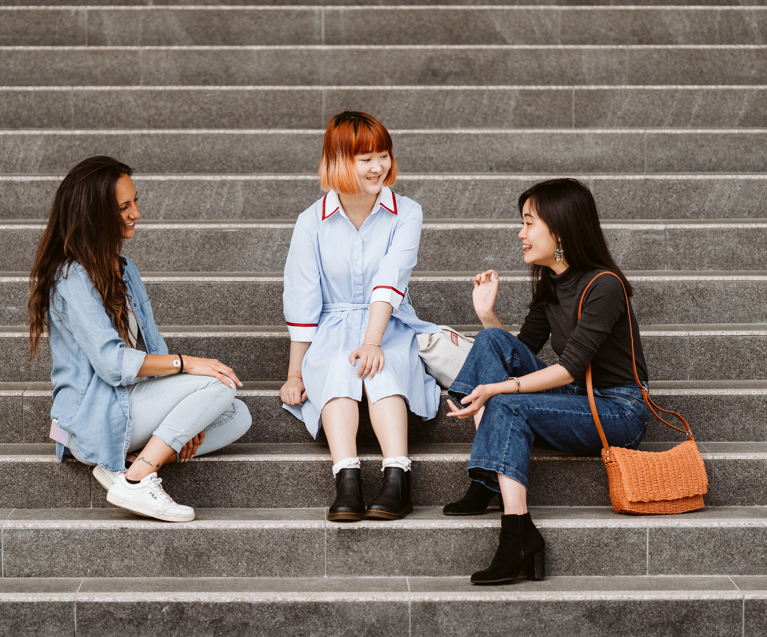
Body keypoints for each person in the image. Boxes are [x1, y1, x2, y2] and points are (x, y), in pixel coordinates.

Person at [444, 178, 651, 585]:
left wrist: (496, 391)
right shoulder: (552, 284)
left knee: (505, 400)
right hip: (579, 398)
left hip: (619, 410)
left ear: (560, 229)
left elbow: (570, 368)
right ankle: (491, 475)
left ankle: (515, 530)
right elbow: (515, 356)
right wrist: (487, 316)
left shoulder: (603, 285)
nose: (520, 234)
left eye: (528, 223)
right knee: (490, 341)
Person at [28, 156, 252, 523]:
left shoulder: (125, 270)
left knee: (236, 416)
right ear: (95, 214)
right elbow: (111, 363)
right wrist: (187, 364)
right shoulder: (70, 277)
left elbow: (152, 351)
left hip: (132, 405)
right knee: (218, 384)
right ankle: (137, 478)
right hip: (94, 414)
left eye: (135, 202)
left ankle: (134, 459)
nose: (136, 213)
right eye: (124, 206)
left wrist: (186, 416)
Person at [279, 110, 441, 522]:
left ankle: (397, 477)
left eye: (383, 155)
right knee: (336, 367)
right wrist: (295, 373)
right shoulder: (310, 222)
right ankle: (346, 480)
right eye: (365, 158)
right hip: (331, 325)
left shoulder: (407, 211)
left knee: (383, 368)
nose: (378, 167)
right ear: (338, 160)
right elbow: (302, 298)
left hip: (388, 322)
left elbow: (391, 279)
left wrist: (372, 341)